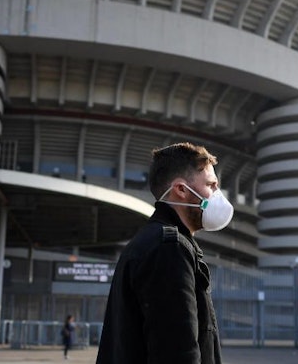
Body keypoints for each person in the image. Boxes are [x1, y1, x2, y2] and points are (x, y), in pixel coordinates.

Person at [96, 142, 233, 364]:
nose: (218, 194)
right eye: (211, 185)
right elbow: (178, 352)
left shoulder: (154, 241)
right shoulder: (169, 249)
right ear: (180, 189)